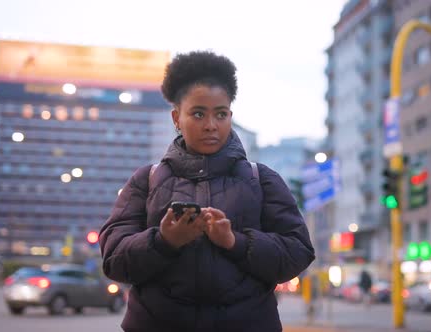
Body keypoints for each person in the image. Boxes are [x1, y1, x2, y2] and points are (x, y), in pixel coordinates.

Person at [99, 51, 315, 332]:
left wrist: (234, 242)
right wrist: (164, 241)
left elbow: (297, 252)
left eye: (221, 114)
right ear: (177, 118)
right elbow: (114, 261)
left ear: (230, 116)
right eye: (198, 113)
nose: (211, 125)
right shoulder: (146, 180)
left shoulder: (261, 179)